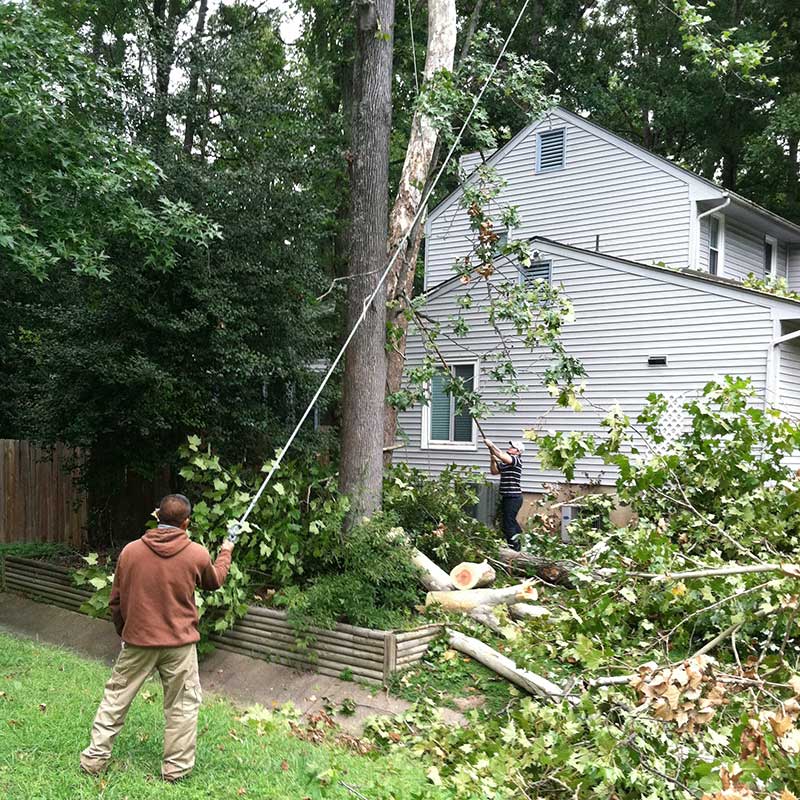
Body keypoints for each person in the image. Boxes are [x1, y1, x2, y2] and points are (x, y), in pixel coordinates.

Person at [80, 494, 234, 782]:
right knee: (183, 705)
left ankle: (94, 759)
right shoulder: (197, 553)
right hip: (180, 645)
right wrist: (227, 549)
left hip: (138, 642)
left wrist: (126, 632)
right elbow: (215, 580)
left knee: (115, 698)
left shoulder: (130, 552)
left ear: (157, 516)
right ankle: (175, 769)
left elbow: (116, 601)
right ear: (186, 523)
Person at [485, 439, 525, 550]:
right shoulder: (506, 464)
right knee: (509, 520)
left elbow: (501, 455)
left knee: (508, 523)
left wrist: (491, 445)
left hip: (514, 497)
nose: (510, 448)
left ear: (518, 452)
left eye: (513, 447)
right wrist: (492, 460)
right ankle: (521, 539)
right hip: (507, 497)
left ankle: (514, 548)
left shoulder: (516, 460)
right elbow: (494, 471)